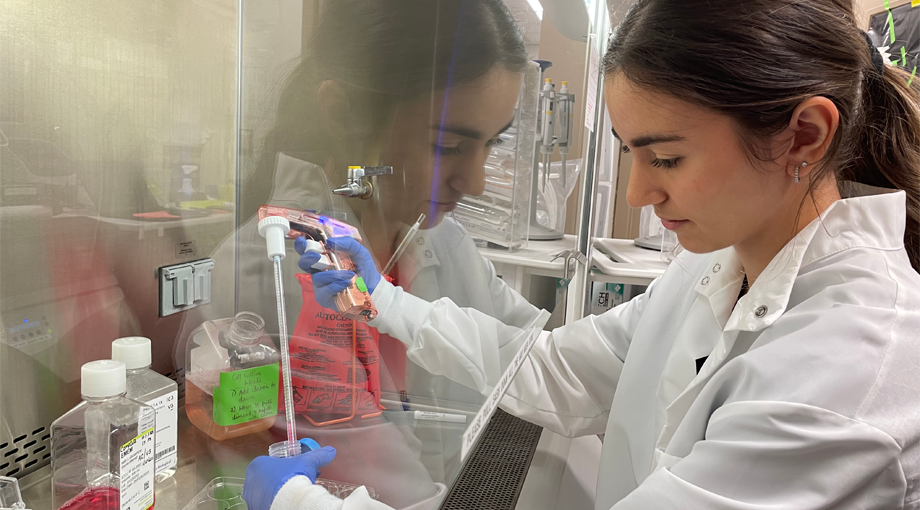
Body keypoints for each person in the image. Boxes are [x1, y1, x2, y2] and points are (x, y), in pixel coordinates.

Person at [244, 0, 920, 508]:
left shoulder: (849, 374)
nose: (639, 190)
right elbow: (557, 371)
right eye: (631, 153)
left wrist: (298, 503)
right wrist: (386, 302)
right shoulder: (715, 265)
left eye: (667, 157)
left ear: (803, 134)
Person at [185, 0, 547, 507]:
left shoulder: (438, 238)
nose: (478, 182)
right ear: (344, 113)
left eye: (491, 144)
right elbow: (391, 485)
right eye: (448, 146)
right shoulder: (279, 265)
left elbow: (536, 353)